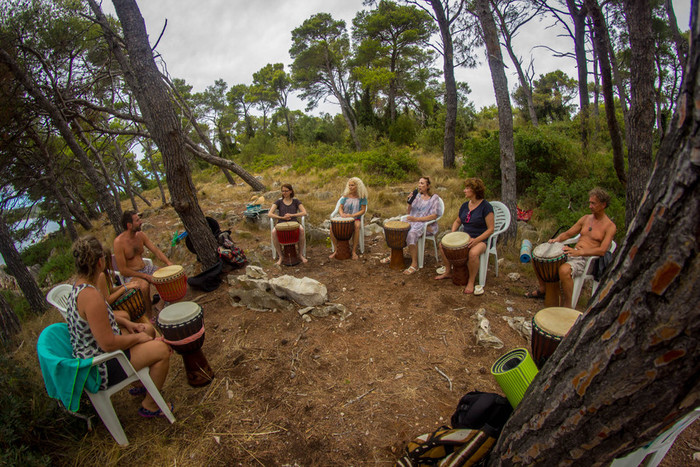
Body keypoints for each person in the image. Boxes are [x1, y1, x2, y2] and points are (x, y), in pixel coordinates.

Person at [66, 236, 172, 417]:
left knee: (146, 329)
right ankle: (150, 404)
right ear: (100, 262)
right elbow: (108, 344)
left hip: (93, 356)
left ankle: (140, 384)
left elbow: (100, 321)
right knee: (163, 349)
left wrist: (129, 324)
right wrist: (138, 338)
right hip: (100, 367)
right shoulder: (91, 297)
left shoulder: (78, 287)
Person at [526, 187, 617, 308]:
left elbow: (602, 250)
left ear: (603, 205)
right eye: (590, 202)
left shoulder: (610, 226)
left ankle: (567, 306)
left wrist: (579, 252)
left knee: (564, 270)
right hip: (573, 253)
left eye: (593, 203)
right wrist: (557, 240)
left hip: (588, 260)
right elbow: (568, 233)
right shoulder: (585, 218)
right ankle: (543, 289)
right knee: (538, 258)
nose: (590, 206)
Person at [435, 178, 495, 294]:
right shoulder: (464, 206)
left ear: (475, 191)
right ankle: (448, 271)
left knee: (473, 253)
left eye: (467, 188)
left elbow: (491, 229)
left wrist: (476, 240)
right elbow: (457, 221)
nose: (464, 190)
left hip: (482, 239)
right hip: (465, 236)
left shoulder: (486, 206)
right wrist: (452, 234)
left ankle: (471, 281)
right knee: (442, 245)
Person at [113, 210, 173, 318]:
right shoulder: (119, 242)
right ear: (129, 225)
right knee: (144, 287)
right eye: (137, 220)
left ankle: (160, 305)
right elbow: (123, 270)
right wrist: (145, 276)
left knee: (165, 277)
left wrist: (168, 262)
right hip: (132, 274)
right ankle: (149, 316)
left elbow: (155, 250)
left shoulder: (140, 235)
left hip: (145, 268)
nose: (141, 222)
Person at [400, 176, 442, 275]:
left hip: (427, 225)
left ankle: (414, 264)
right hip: (414, 221)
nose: (419, 185)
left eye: (422, 183)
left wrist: (417, 219)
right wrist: (410, 201)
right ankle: (395, 254)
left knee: (411, 234)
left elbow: (434, 215)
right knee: (399, 229)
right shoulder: (417, 196)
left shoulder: (434, 198)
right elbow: (409, 212)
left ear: (428, 186)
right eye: (419, 183)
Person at [329, 177, 368, 260]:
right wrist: (342, 214)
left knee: (357, 226)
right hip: (344, 217)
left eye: (352, 185)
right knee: (332, 227)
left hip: (355, 218)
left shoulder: (362, 197)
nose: (350, 187)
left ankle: (353, 251)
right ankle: (336, 250)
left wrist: (352, 215)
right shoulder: (345, 195)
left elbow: (363, 211)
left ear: (358, 186)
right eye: (349, 185)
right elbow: (340, 207)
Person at [269, 184, 308, 265]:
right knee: (273, 232)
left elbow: (304, 212)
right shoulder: (278, 202)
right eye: (283, 191)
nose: (284, 193)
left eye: (286, 191)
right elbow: (270, 214)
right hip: (281, 223)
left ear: (290, 191)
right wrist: (281, 217)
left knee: (301, 230)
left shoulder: (296, 201)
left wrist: (292, 215)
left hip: (294, 222)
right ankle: (280, 256)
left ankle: (300, 254)